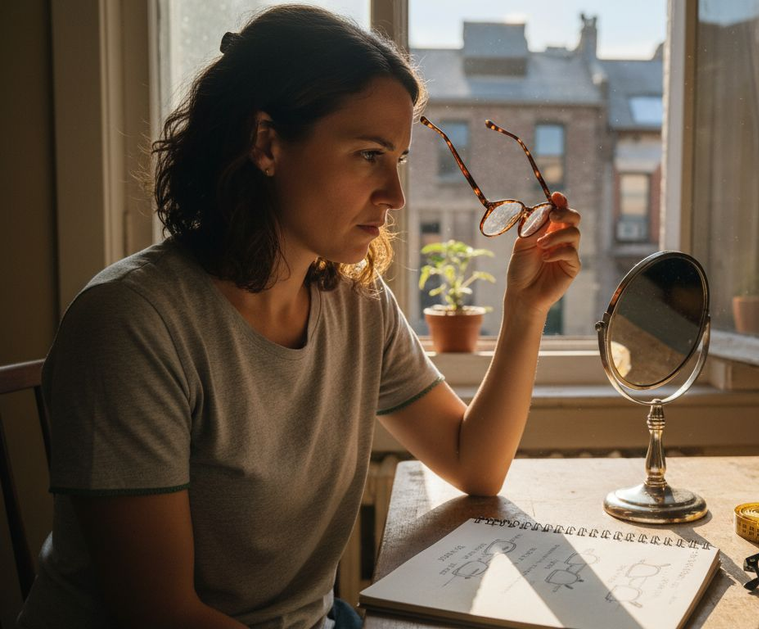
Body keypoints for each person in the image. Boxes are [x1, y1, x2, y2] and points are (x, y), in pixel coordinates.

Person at [17, 5, 581, 629]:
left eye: (398, 159)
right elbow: (160, 613)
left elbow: (474, 464)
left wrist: (525, 312)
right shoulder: (132, 323)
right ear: (266, 144)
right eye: (368, 154)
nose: (395, 195)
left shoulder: (357, 304)